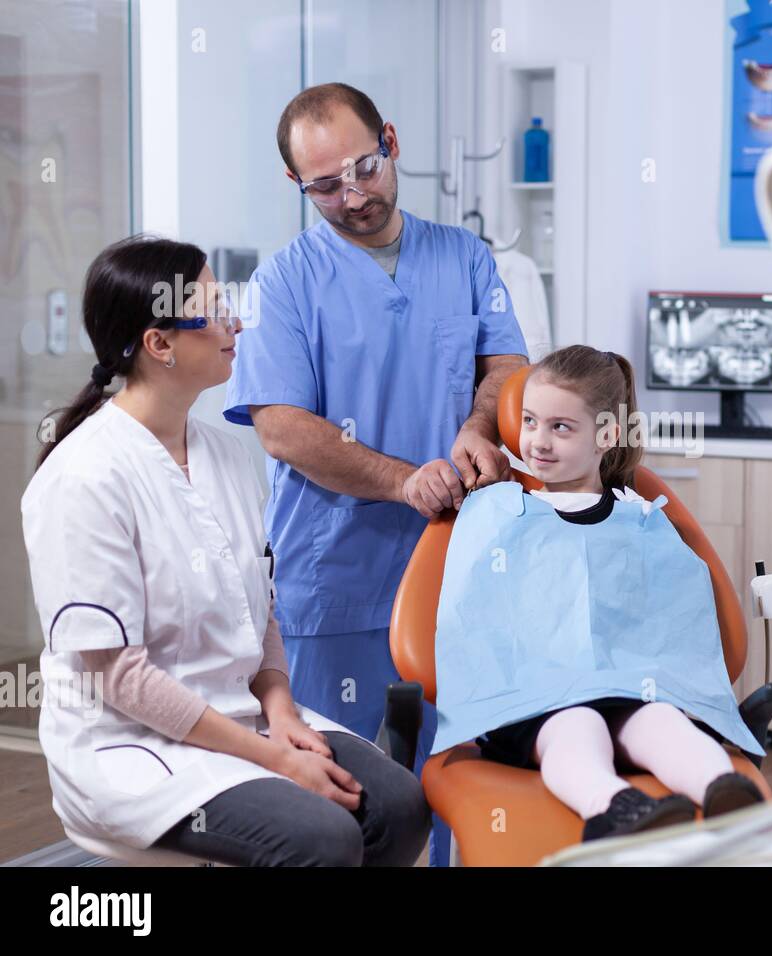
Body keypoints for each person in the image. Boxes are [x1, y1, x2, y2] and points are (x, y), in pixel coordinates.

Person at [23, 236, 430, 866]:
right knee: (324, 837)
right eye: (213, 311)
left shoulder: (228, 455)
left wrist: (282, 711)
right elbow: (118, 676)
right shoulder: (84, 476)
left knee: (399, 805)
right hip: (133, 746)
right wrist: (272, 758)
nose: (235, 323)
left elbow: (261, 608)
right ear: (159, 345)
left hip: (246, 715)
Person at [222, 83, 529, 864]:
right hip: (338, 576)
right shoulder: (281, 286)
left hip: (458, 565)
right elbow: (282, 427)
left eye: (364, 168)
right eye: (326, 185)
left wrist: (472, 425)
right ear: (297, 184)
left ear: (389, 140)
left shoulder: (463, 257)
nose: (354, 195)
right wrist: (401, 482)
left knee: (465, 778)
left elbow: (507, 368)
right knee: (341, 797)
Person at [434, 346, 767, 842]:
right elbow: (473, 624)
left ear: (607, 435)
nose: (537, 442)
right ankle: (615, 805)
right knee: (576, 730)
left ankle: (723, 790)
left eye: (560, 427)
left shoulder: (643, 519)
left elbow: (675, 623)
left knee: (660, 722)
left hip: (630, 686)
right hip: (535, 700)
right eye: (529, 421)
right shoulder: (497, 514)